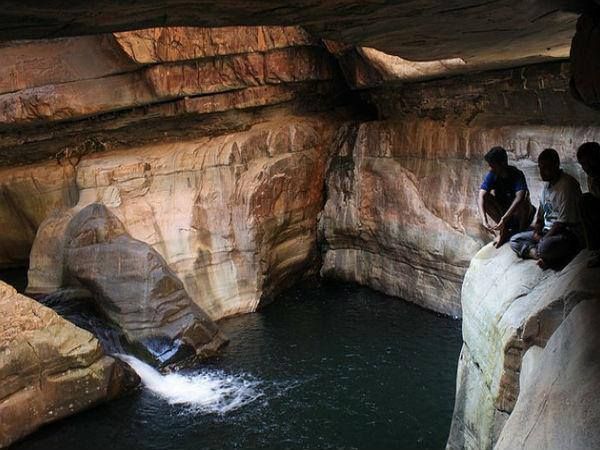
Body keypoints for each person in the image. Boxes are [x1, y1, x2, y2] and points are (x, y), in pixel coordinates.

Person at [510, 148, 583, 269]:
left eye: (546, 167)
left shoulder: (567, 185)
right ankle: (538, 255)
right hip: (548, 232)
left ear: (556, 165)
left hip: (565, 233)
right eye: (540, 167)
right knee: (514, 240)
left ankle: (546, 254)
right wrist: (537, 229)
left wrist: (543, 238)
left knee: (545, 247)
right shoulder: (547, 185)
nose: (542, 171)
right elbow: (541, 212)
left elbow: (562, 223)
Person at [478, 146, 535, 247]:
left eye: (493, 165)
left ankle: (520, 234)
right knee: (486, 198)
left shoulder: (517, 174)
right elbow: (481, 196)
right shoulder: (492, 174)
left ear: (503, 163)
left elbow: (520, 197)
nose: (490, 168)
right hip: (504, 216)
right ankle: (504, 231)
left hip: (520, 216)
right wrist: (484, 220)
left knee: (524, 199)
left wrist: (504, 219)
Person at [576, 141, 600, 267]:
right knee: (584, 201)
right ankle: (595, 249)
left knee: (585, 202)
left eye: (587, 163)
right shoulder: (592, 177)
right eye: (583, 164)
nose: (585, 168)